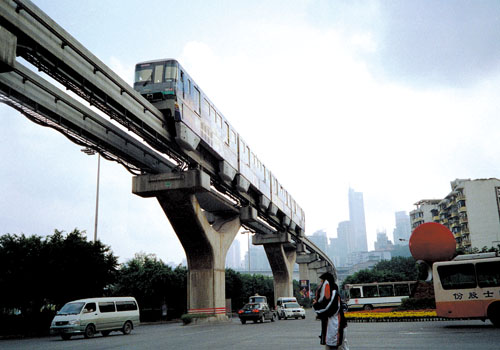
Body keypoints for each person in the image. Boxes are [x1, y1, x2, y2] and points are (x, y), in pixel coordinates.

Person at [313, 272, 348, 350]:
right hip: (331, 328)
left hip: (336, 326)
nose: (321, 284)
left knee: (338, 347)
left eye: (322, 281)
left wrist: (316, 306)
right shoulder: (330, 295)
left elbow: (328, 310)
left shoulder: (334, 294)